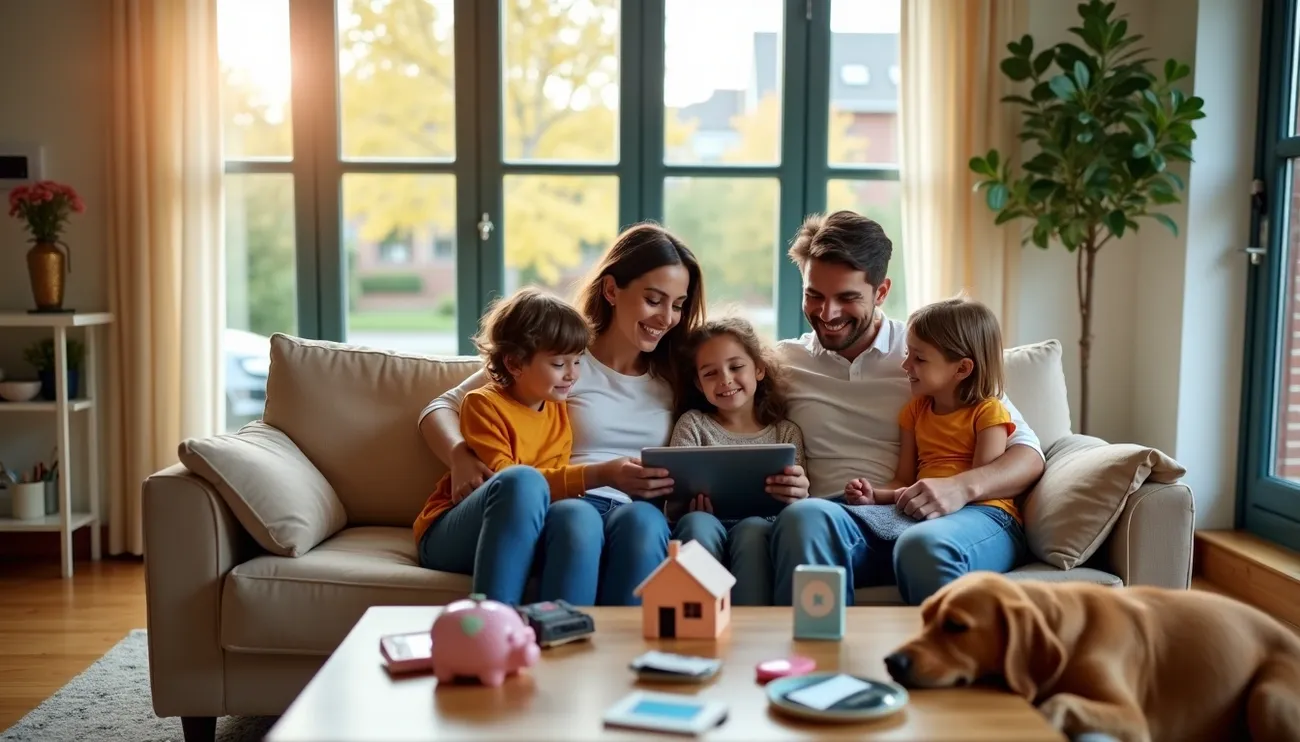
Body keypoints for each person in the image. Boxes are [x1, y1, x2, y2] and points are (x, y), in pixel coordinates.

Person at [421, 223, 741, 606]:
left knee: (644, 522)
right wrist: (459, 454)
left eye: (678, 304)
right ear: (611, 290)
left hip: (633, 511)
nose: (667, 318)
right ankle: (546, 637)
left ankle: (623, 655)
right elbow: (442, 406)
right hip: (562, 505)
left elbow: (722, 429)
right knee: (577, 518)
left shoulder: (676, 376)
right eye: (654, 300)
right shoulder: (560, 360)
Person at [770, 210, 1045, 607]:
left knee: (924, 547)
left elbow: (1029, 455)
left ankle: (937, 666)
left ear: (881, 292)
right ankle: (815, 665)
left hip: (948, 518)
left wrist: (959, 488)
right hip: (851, 521)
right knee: (801, 518)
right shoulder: (784, 364)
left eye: (847, 298)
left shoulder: (929, 352)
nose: (826, 314)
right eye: (814, 295)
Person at [411, 287, 598, 604]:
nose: (572, 374)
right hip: (450, 532)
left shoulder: (557, 407)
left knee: (577, 515)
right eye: (558, 364)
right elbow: (510, 483)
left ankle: (561, 635)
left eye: (577, 361)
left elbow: (554, 480)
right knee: (522, 480)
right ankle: (492, 628)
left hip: (521, 529)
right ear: (514, 364)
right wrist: (598, 474)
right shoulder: (483, 404)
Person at [666, 316, 809, 606]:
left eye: (736, 366)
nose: (725, 380)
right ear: (698, 382)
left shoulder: (786, 431)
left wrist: (799, 492)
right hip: (705, 522)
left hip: (762, 527)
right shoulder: (693, 424)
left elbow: (796, 502)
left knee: (753, 530)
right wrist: (685, 507)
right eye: (710, 373)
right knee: (697, 523)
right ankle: (696, 626)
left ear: (758, 369)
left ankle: (750, 631)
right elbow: (673, 497)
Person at [845, 297, 1018, 528]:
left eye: (920, 358)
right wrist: (874, 496)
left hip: (982, 513)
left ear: (963, 368)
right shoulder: (915, 412)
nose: (905, 365)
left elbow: (980, 488)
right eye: (908, 353)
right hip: (926, 511)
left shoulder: (989, 413)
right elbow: (904, 481)